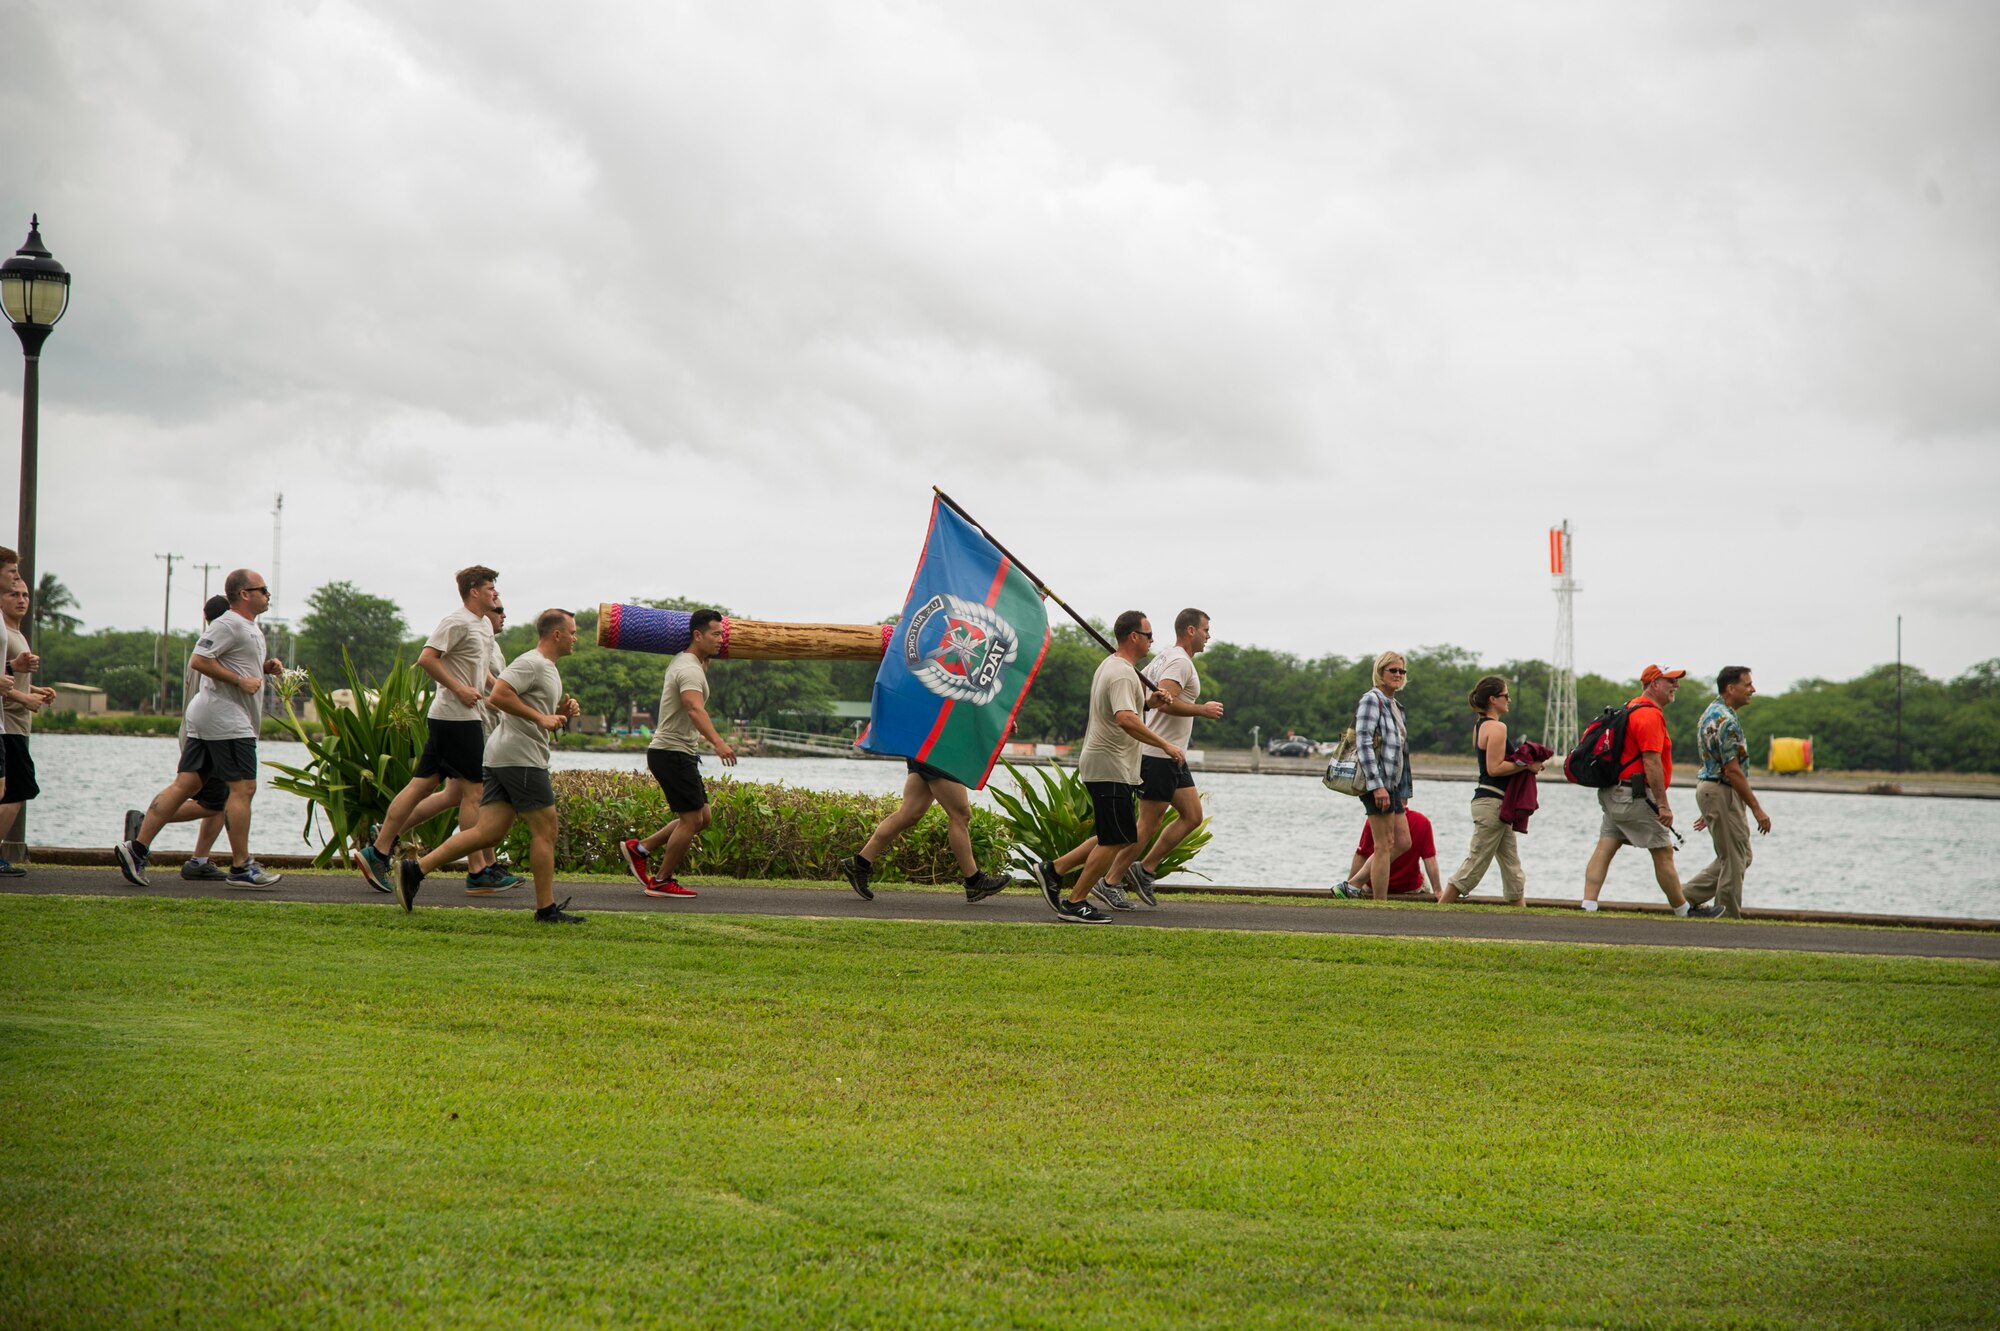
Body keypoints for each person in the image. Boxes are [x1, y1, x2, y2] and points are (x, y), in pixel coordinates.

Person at [396, 608, 583, 922]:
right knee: (546, 830)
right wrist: (542, 717)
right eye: (573, 632)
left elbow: (533, 711)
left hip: (504, 756)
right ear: (556, 634)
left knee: (487, 832)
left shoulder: (547, 668)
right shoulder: (531, 662)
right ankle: (545, 909)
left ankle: (415, 870)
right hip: (520, 758)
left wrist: (561, 711)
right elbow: (497, 696)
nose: (576, 638)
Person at [116, 570, 286, 888]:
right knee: (243, 790)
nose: (268, 594)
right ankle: (241, 867)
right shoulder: (229, 623)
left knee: (185, 784)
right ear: (244, 594)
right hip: (227, 720)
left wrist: (263, 669)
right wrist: (239, 681)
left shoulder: (248, 628)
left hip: (211, 718)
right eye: (263, 589)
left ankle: (136, 849)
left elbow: (234, 662)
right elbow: (199, 659)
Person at [1030, 612, 1186, 923]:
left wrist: (1150, 704)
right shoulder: (1122, 672)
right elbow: (1125, 718)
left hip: (1110, 764)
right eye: (1149, 634)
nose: (1152, 641)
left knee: (1113, 834)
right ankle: (1075, 902)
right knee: (1116, 838)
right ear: (1133, 637)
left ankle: (1054, 869)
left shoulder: (1116, 668)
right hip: (1109, 764)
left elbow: (1128, 707)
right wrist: (1166, 744)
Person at [358, 566, 502, 894]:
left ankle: (377, 851)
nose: (495, 593)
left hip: (461, 718)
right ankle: (478, 869)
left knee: (422, 785)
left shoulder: (482, 625)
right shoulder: (456, 621)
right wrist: (460, 689)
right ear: (474, 591)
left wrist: (497, 691)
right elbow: (427, 659)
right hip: (456, 717)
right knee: (474, 792)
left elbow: (479, 671)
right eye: (490, 587)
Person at [619, 609, 737, 899]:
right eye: (715, 634)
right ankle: (661, 880)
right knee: (691, 820)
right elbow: (694, 707)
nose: (721, 640)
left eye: (722, 634)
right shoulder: (689, 669)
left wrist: (708, 653)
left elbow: (702, 667)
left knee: (703, 817)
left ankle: (641, 848)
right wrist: (719, 743)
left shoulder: (690, 661)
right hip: (672, 753)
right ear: (697, 635)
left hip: (676, 752)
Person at [122, 594, 233, 878]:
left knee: (220, 800)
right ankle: (145, 827)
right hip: (209, 734)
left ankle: (198, 860)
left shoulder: (206, 643)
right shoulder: (220, 646)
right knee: (214, 801)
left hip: (197, 730)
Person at [1121, 607, 1224, 906]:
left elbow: (1145, 696)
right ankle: (1110, 879)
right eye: (1206, 629)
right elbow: (1164, 702)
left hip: (1172, 754)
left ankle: (1145, 869)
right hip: (1158, 754)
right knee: (1146, 825)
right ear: (1190, 630)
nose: (1209, 635)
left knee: (1192, 816)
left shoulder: (1164, 656)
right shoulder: (1178, 661)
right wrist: (1202, 709)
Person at [1581, 664, 1692, 915]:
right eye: (1670, 681)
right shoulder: (1650, 715)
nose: (1676, 685)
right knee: (1663, 851)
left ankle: (1588, 905)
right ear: (1654, 684)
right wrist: (1663, 805)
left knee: (1605, 846)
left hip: (1614, 793)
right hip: (1635, 795)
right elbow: (1651, 762)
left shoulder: (1630, 706)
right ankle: (1684, 911)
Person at [840, 757, 1011, 903]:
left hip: (923, 747)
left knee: (909, 813)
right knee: (960, 815)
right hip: (937, 751)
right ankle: (974, 881)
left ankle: (859, 864)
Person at [1438, 675, 1541, 905]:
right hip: (1492, 804)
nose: (1510, 700)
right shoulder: (1497, 728)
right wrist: (1527, 765)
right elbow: (1494, 768)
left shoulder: (1480, 726)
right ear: (1493, 699)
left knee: (1511, 864)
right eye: (1506, 695)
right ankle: (1441, 909)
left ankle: (1521, 917)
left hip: (1495, 804)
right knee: (1477, 860)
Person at [1683, 666, 1773, 919]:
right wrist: (1756, 808)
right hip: (1721, 790)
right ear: (1731, 688)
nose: (1752, 689)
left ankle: (1683, 897)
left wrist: (1712, 807)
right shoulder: (1727, 722)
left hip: (1715, 792)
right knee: (1734, 859)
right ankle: (1727, 921)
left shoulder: (1711, 713)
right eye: (1748, 684)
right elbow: (1732, 771)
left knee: (1738, 856)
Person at [0, 575, 56, 875]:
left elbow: (13, 679)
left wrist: (37, 691)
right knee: (18, 790)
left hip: (17, 724)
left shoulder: (15, 634)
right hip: (7, 724)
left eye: (24, 595)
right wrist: (25, 700)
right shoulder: (4, 635)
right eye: (13, 594)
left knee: (11, 791)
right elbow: (4, 683)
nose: (21, 600)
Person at [1353, 651, 1413, 901]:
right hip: (1376, 782)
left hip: (1394, 784)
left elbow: (1401, 752)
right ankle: (1380, 905)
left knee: (1402, 841)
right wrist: (1377, 786)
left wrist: (1403, 790)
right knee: (1384, 844)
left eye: (1402, 671)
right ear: (1380, 672)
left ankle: (1353, 884)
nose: (1398, 675)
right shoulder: (1372, 700)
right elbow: (1363, 742)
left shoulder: (1395, 706)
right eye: (1393, 670)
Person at [1334, 807, 1440, 898]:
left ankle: (1351, 886)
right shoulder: (1422, 821)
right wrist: (1438, 889)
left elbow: (1361, 855)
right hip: (1410, 887)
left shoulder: (1375, 821)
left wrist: (1349, 883)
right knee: (1422, 877)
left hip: (1373, 886)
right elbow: (1430, 859)